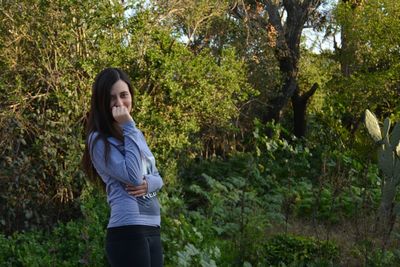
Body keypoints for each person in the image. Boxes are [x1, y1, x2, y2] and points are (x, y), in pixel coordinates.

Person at [82, 67, 164, 267]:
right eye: (112, 98)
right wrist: (129, 126)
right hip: (128, 231)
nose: (119, 103)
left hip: (152, 228)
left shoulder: (135, 134)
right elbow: (135, 176)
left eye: (123, 95)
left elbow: (157, 177)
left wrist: (150, 184)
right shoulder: (98, 140)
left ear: (131, 96)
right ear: (101, 102)